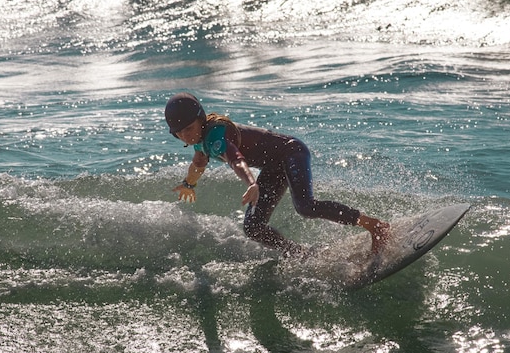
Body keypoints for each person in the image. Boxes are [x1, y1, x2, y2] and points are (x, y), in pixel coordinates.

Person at [164, 92, 390, 257]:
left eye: (189, 129)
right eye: (180, 133)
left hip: (291, 152)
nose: (186, 136)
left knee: (306, 206)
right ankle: (299, 253)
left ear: (201, 119)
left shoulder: (216, 138)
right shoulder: (201, 143)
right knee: (253, 227)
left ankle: (375, 226)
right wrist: (188, 184)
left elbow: (237, 159)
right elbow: (197, 164)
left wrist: (252, 183)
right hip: (273, 167)